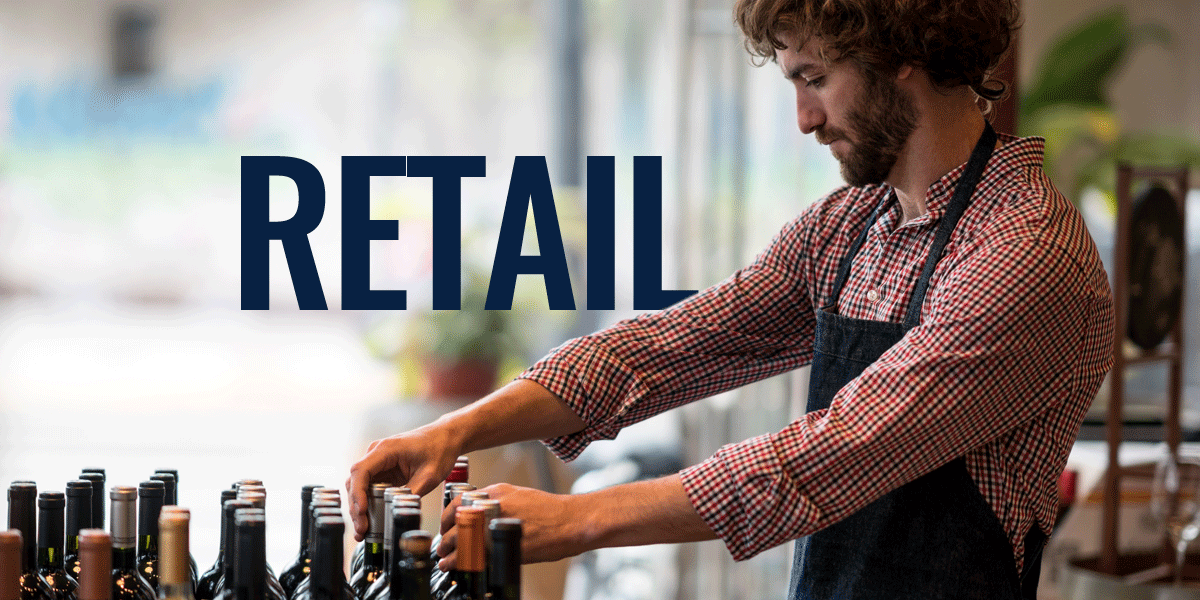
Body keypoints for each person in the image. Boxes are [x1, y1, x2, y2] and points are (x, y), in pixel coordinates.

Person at [347, 0, 1115, 597]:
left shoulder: (1025, 255)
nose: (805, 119)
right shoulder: (845, 229)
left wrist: (579, 519)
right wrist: (456, 432)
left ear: (900, 52)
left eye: (814, 78)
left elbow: (827, 455)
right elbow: (661, 349)